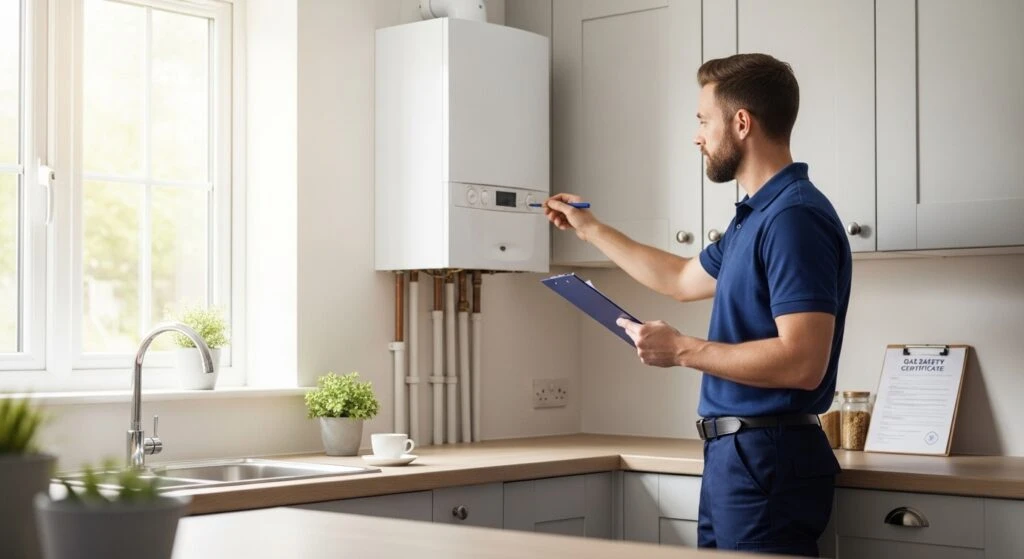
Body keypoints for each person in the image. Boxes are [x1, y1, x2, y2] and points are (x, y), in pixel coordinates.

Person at [543, 53, 851, 556]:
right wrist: (591, 230)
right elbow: (681, 277)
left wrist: (683, 349)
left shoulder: (794, 219)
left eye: (703, 120)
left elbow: (803, 361)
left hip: (765, 456)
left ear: (742, 123)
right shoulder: (755, 217)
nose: (698, 136)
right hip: (737, 455)